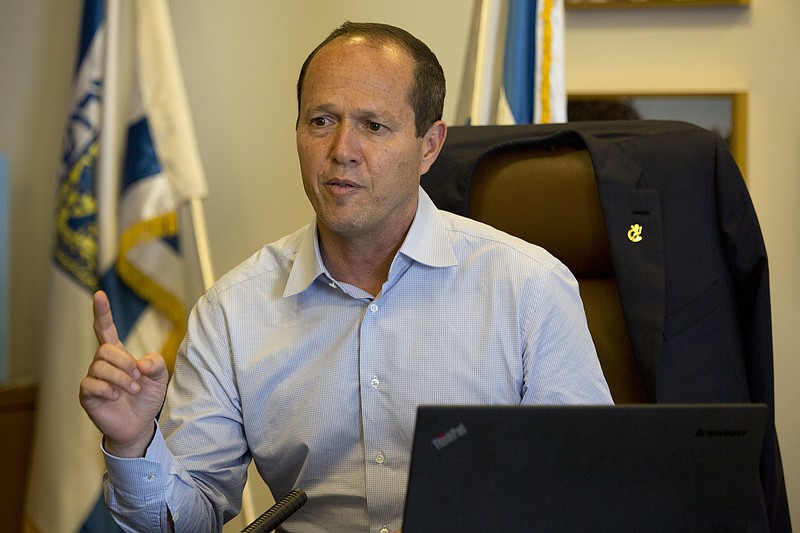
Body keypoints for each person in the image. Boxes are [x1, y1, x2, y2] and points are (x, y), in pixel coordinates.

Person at [79, 21, 613, 533]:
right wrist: (134, 444)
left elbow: (593, 488)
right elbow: (187, 522)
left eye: (373, 126)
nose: (341, 152)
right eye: (321, 121)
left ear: (430, 145)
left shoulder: (530, 288)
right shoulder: (233, 311)